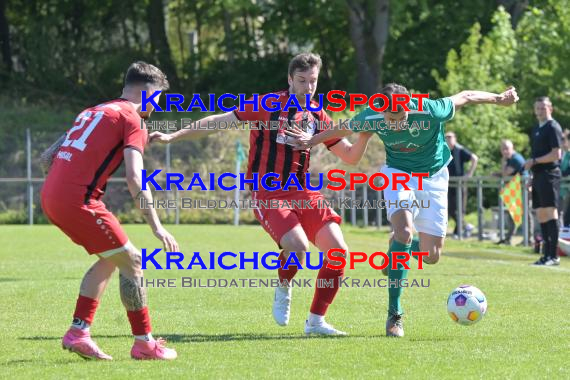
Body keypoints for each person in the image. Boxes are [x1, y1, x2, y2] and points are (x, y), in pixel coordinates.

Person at [150, 53, 373, 335]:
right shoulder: (268, 104)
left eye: (313, 81)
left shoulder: (317, 114)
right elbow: (219, 121)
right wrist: (173, 135)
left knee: (339, 253)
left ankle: (316, 322)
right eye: (302, 80)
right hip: (268, 193)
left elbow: (350, 156)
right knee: (298, 248)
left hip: (303, 191)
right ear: (290, 79)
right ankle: (284, 285)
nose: (307, 87)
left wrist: (365, 134)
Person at [289, 83, 519, 337]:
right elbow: (343, 127)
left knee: (432, 256)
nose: (396, 124)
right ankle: (394, 314)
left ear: (409, 106)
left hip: (434, 176)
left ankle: (396, 250)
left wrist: (499, 99)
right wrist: (311, 140)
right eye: (390, 119)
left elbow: (466, 96)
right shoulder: (373, 114)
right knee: (404, 232)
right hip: (398, 174)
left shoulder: (431, 110)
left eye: (400, 118)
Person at [40, 62, 179, 360]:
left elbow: (48, 157)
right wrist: (157, 226)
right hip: (79, 200)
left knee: (111, 258)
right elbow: (135, 179)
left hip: (51, 195)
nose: (157, 106)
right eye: (158, 98)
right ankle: (144, 344)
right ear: (147, 92)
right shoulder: (135, 119)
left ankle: (79, 332)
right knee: (133, 260)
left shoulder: (94, 110)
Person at [524, 96, 563, 266]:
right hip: (538, 176)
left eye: (543, 108)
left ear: (550, 108)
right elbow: (535, 156)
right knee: (540, 213)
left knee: (550, 212)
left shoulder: (553, 127)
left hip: (550, 175)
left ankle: (553, 255)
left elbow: (556, 155)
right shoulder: (536, 129)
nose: (540, 111)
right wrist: (532, 177)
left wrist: (535, 162)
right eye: (537, 108)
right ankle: (545, 255)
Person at [445, 131, 478, 238]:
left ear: (455, 138)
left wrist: (469, 174)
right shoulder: (444, 150)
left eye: (450, 137)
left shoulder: (460, 150)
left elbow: (474, 158)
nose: (448, 139)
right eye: (446, 137)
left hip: (460, 184)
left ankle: (458, 232)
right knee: (450, 209)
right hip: (449, 183)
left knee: (460, 209)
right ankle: (466, 226)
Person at [496, 139, 528, 245]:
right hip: (515, 189)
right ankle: (508, 239)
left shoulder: (515, 159)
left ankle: (530, 239)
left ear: (512, 148)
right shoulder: (510, 158)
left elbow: (505, 173)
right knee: (512, 214)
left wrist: (503, 162)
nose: (505, 151)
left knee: (526, 214)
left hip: (524, 189)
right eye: (503, 149)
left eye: (507, 149)